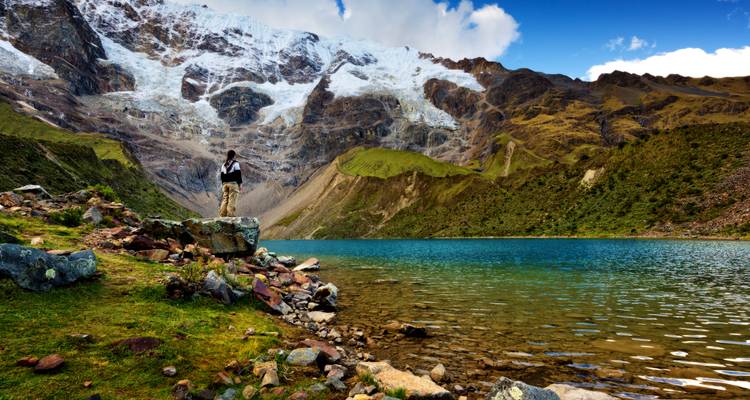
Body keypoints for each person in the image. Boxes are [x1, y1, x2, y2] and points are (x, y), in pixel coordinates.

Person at [219, 150, 242, 217]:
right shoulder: (236, 163)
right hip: (233, 184)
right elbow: (238, 174)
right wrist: (240, 184)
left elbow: (222, 176)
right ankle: (230, 214)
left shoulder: (223, 165)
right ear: (234, 156)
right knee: (232, 199)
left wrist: (223, 184)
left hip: (225, 184)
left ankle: (222, 214)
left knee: (225, 199)